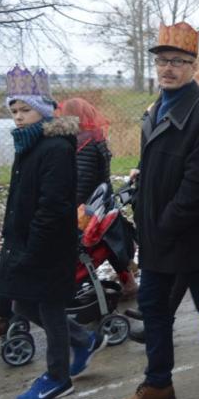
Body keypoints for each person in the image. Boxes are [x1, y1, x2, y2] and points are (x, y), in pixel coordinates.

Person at [119, 23, 199, 399]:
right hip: (158, 234)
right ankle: (159, 384)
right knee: (153, 307)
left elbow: (198, 187)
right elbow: (159, 167)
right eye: (162, 61)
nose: (168, 68)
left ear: (194, 67)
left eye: (177, 61)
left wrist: (162, 226)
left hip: (192, 238)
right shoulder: (156, 110)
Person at [0, 66, 108, 399]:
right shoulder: (28, 142)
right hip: (26, 242)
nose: (19, 117)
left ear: (44, 110)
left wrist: (33, 250)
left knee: (48, 308)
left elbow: (52, 206)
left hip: (47, 246)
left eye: (25, 110)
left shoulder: (56, 148)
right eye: (14, 110)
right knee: (23, 303)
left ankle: (58, 378)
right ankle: (84, 340)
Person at [59, 98, 138, 298]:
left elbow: (82, 180)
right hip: (102, 199)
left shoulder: (83, 143)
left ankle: (84, 282)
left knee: (99, 245)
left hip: (88, 206)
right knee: (110, 243)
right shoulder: (96, 138)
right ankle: (128, 282)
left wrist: (70, 205)